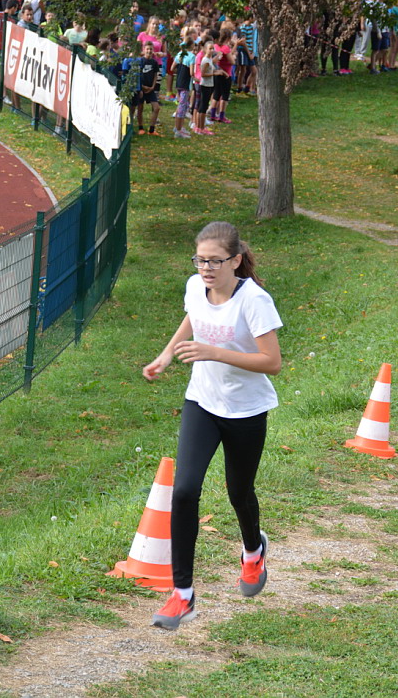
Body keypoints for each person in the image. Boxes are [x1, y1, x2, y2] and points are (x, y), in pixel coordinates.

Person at [142, 221, 283, 631]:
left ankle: (253, 551)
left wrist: (215, 352)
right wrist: (167, 355)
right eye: (200, 260)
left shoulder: (254, 300)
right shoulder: (194, 286)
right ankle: (182, 595)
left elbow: (272, 362)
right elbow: (192, 318)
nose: (206, 268)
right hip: (202, 402)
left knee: (239, 491)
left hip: (246, 410)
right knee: (184, 490)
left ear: (235, 261)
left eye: (215, 261)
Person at [133, 41, 161, 135]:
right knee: (140, 108)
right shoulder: (140, 61)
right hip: (141, 88)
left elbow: (155, 75)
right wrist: (141, 87)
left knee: (156, 108)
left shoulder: (154, 62)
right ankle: (140, 127)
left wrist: (152, 86)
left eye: (151, 49)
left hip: (150, 89)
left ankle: (151, 130)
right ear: (144, 50)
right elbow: (136, 75)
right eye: (147, 49)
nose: (149, 51)